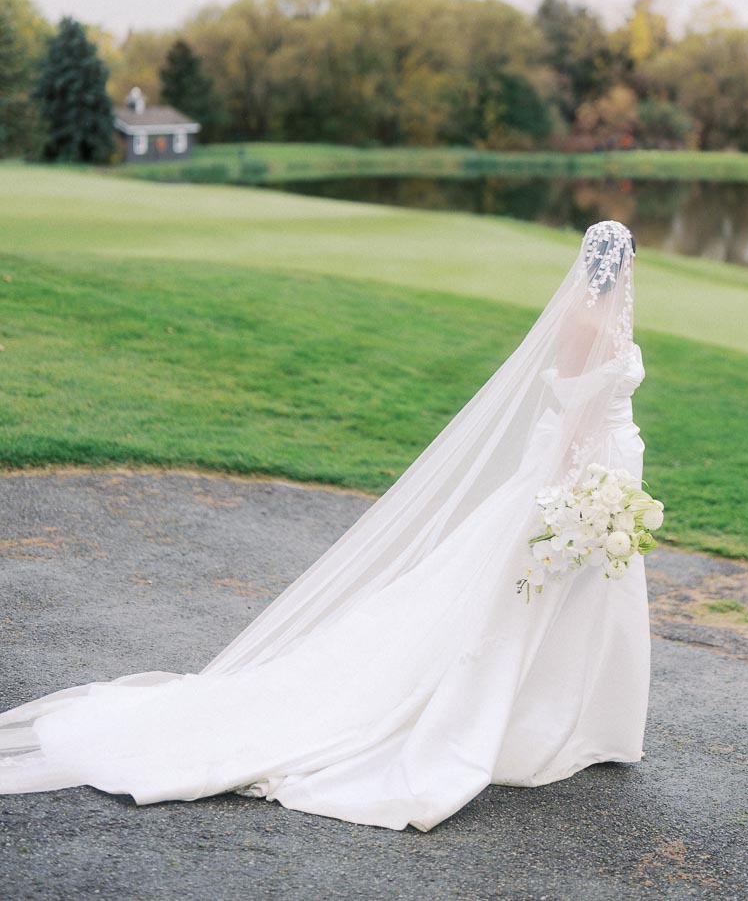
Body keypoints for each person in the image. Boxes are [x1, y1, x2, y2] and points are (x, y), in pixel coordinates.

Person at [0, 219, 651, 832]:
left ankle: (578, 723)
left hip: (604, 477)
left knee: (567, 596)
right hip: (577, 478)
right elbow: (573, 412)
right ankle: (532, 724)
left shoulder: (607, 317)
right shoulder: (583, 319)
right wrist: (575, 492)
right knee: (517, 595)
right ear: (614, 270)